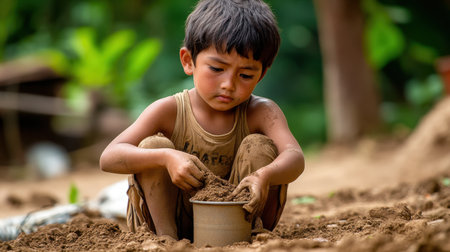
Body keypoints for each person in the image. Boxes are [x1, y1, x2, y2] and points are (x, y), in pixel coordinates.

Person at [99, 0, 305, 240]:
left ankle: (248, 235)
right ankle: (166, 240)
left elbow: (295, 157)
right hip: (168, 223)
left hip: (238, 224)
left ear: (261, 75)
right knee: (153, 147)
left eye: (246, 75)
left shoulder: (261, 112)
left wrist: (264, 175)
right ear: (188, 61)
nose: (229, 85)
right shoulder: (168, 110)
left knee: (259, 147)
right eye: (217, 69)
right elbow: (109, 157)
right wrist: (166, 157)